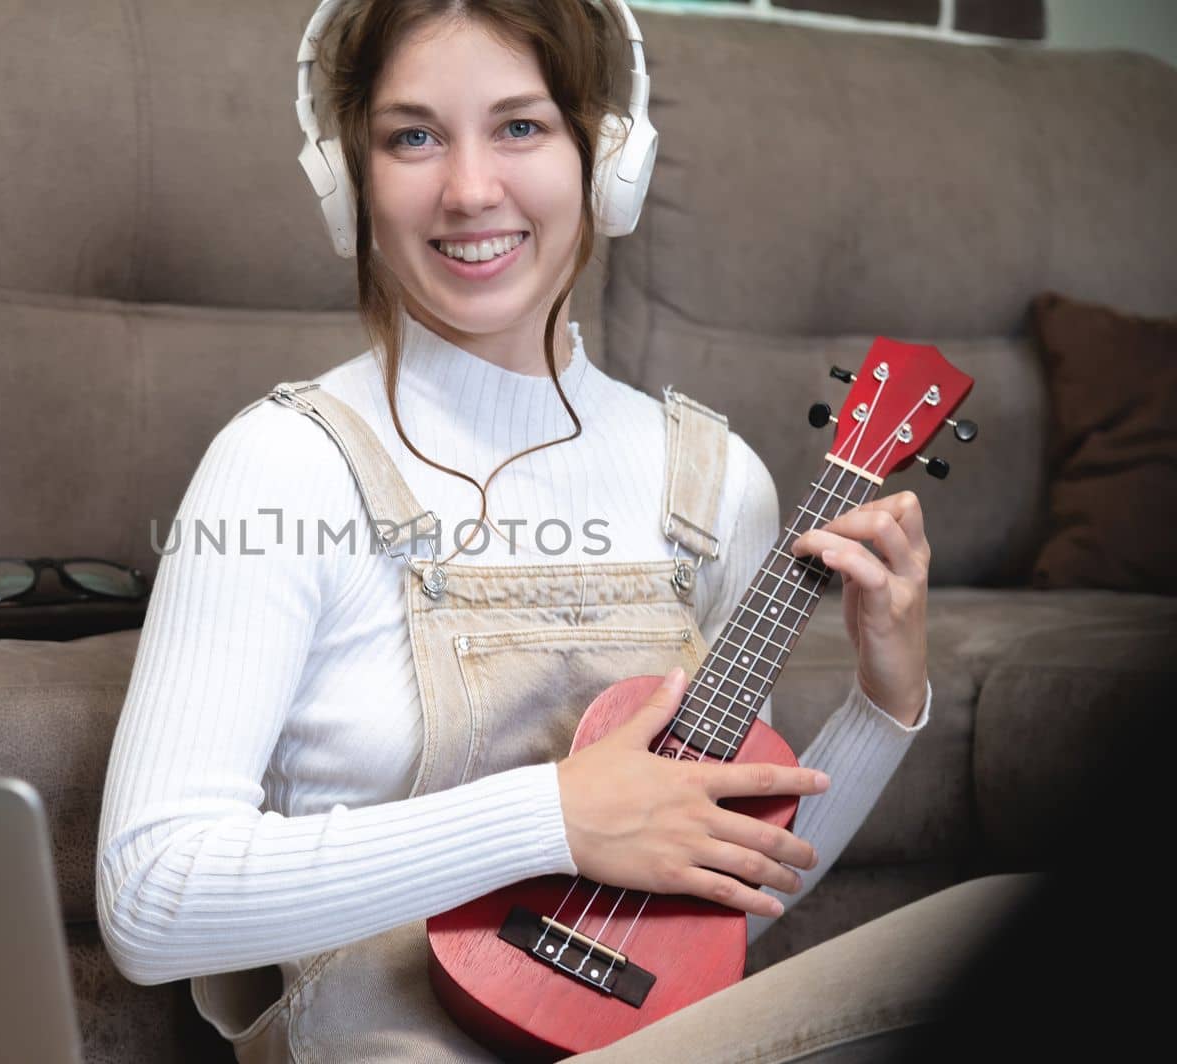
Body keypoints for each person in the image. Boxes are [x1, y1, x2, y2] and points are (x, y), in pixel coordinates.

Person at [96, 2, 1033, 1060]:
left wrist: (884, 699)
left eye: (520, 126)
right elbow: (151, 896)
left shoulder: (715, 480)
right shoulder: (285, 462)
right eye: (412, 135)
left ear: (610, 157)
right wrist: (557, 813)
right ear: (345, 179)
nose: (468, 189)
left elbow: (707, 889)